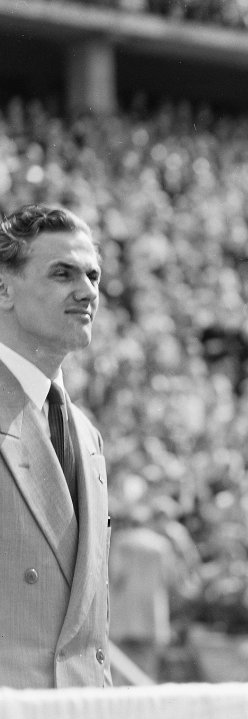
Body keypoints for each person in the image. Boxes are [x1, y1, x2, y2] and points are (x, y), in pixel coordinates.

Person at [0, 203, 111, 688]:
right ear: (3, 288)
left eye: (92, 275)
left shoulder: (86, 436)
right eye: (62, 273)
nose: (87, 291)